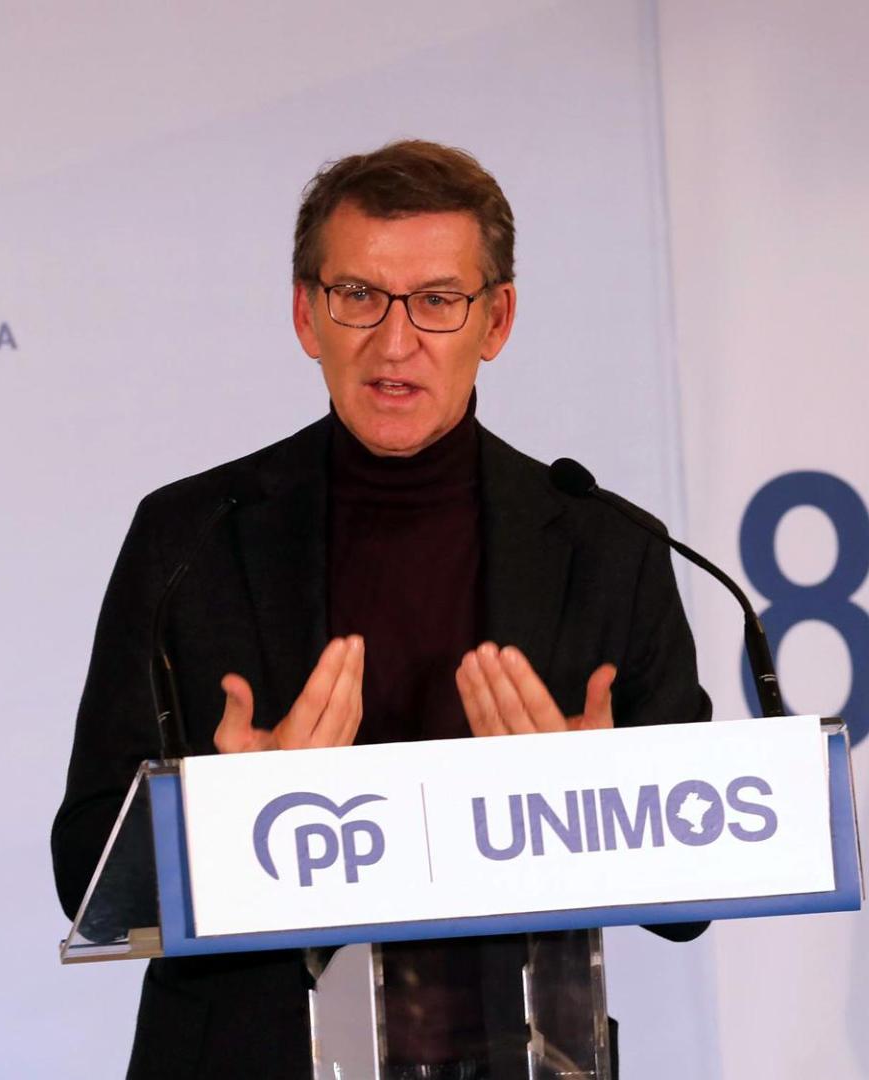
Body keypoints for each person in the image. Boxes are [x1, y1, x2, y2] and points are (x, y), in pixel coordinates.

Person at [50, 139, 710, 1079]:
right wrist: (234, 812)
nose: (393, 343)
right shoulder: (188, 537)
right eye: (357, 295)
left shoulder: (608, 546)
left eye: (438, 301)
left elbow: (689, 905)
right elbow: (85, 866)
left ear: (497, 319)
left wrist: (587, 800)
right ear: (305, 313)